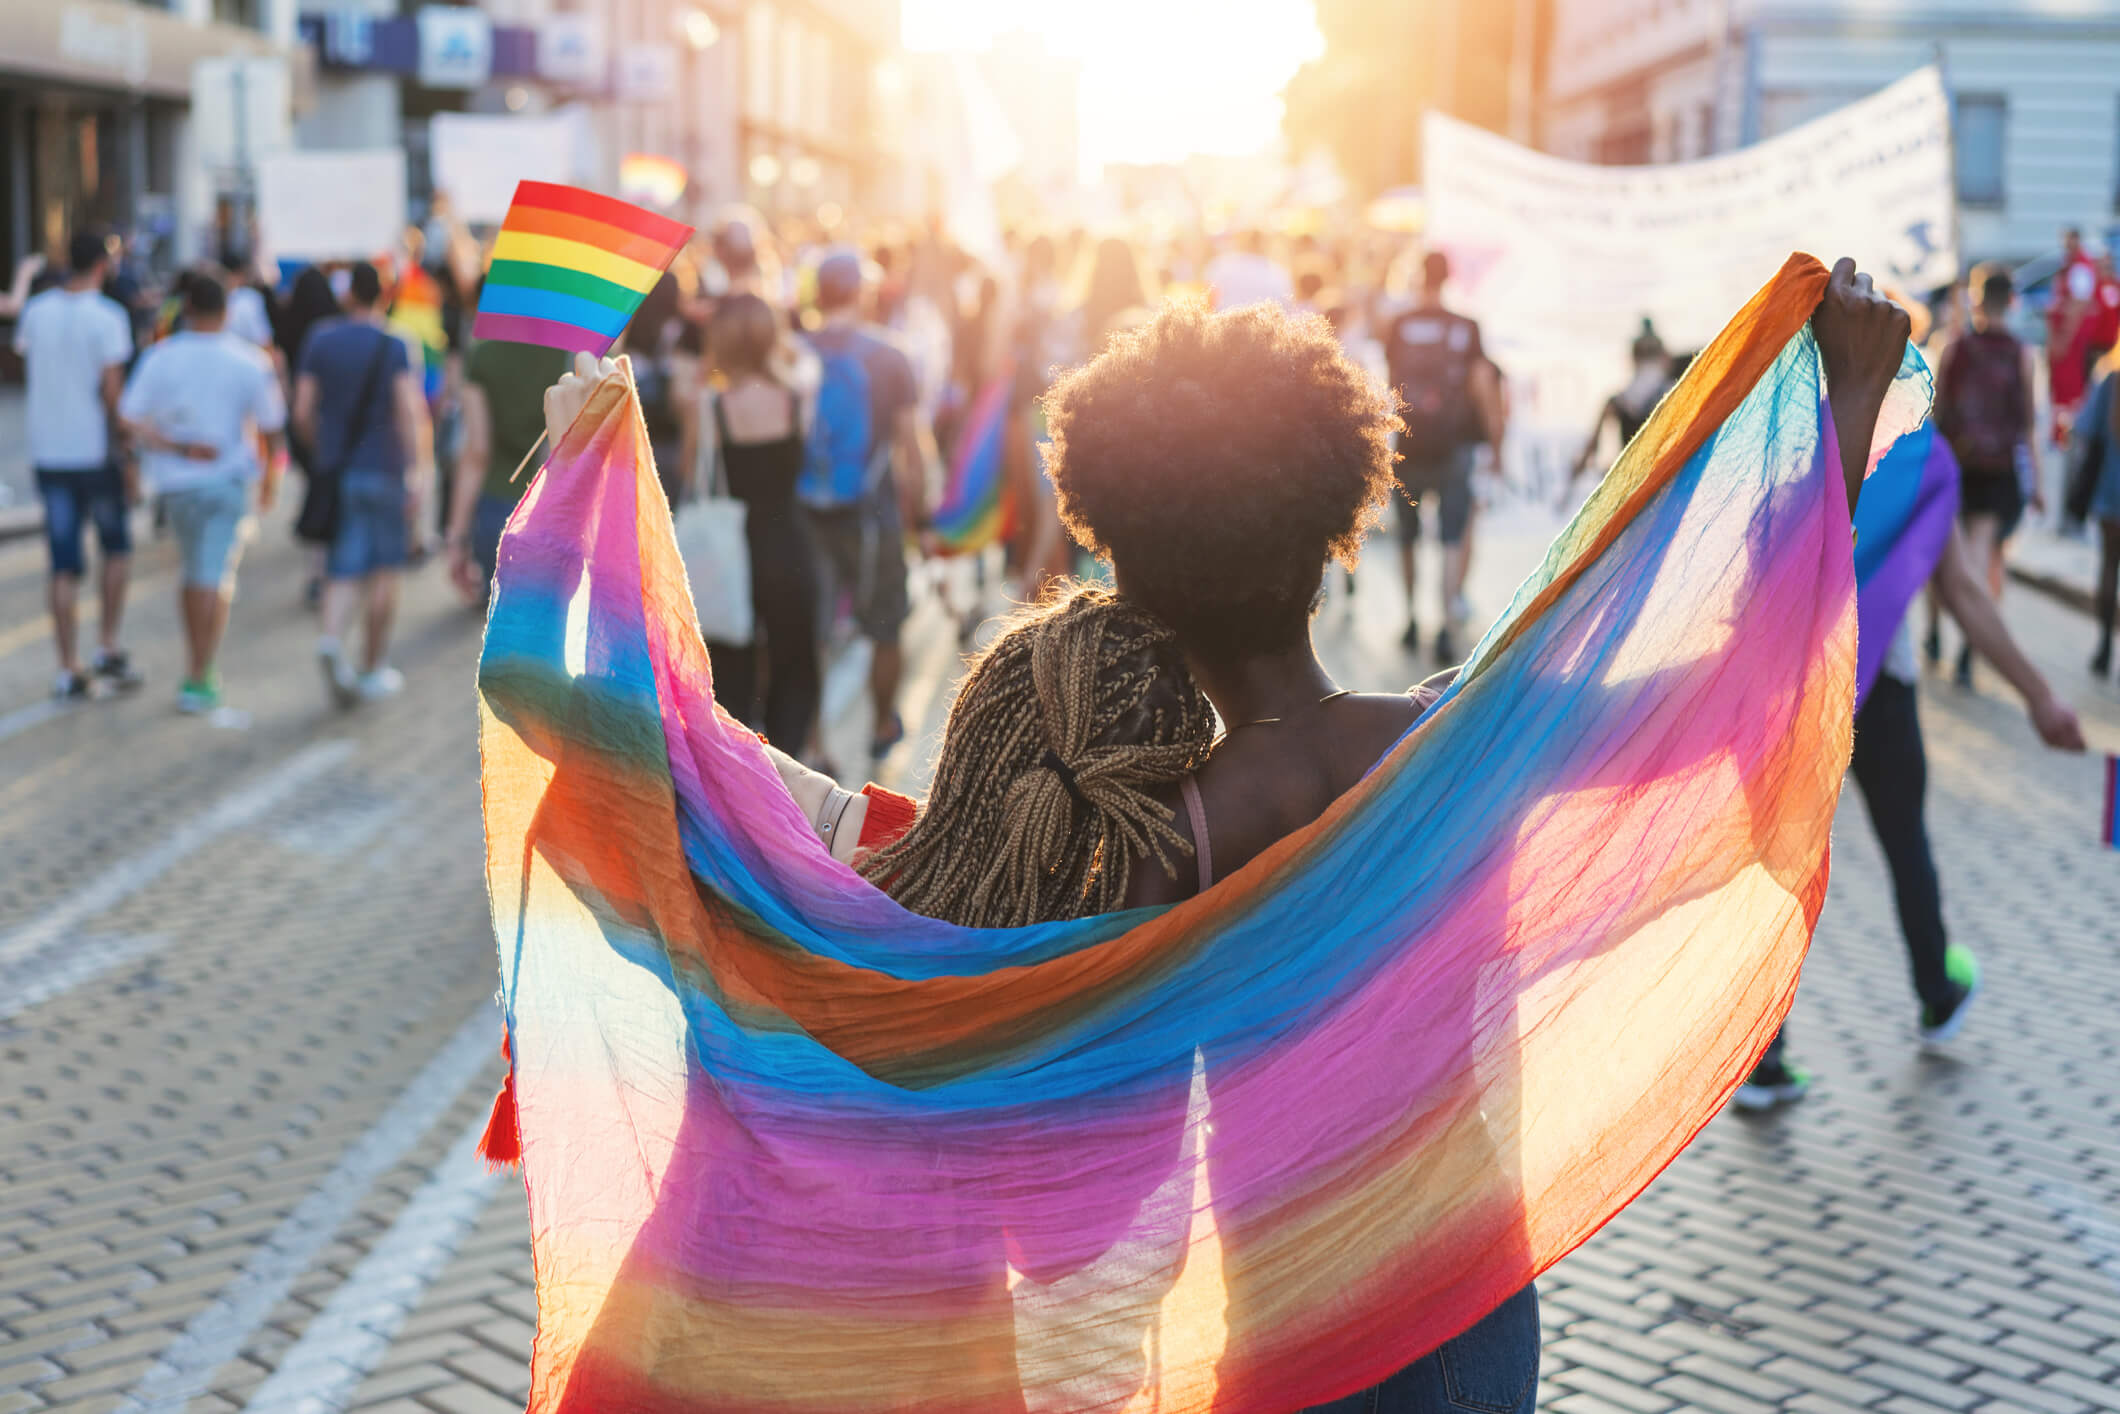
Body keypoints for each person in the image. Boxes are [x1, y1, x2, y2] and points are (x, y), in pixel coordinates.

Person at [1035, 261, 1912, 1413]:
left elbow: (1114, 1178)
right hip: (1467, 1297)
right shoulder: (1457, 740)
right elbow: (1738, 680)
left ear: (1138, 577)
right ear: (1331, 531)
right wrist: (1844, 400)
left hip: (1288, 1320)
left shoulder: (1165, 840)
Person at [1734, 497, 2086, 1109]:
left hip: (1793, 690)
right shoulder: (1918, 453)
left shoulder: (1794, 437)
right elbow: (1964, 594)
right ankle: (1937, 990)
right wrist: (2039, 696)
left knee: (1780, 870)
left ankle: (1763, 1056)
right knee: (1906, 845)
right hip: (1881, 690)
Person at [117, 275, 286, 717]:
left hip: (177, 484)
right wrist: (270, 479)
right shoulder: (250, 360)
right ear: (227, 311)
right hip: (227, 479)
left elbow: (129, 418)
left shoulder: (161, 357)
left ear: (186, 309)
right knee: (212, 575)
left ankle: (199, 668)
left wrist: (176, 447)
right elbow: (271, 427)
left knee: (196, 572)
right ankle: (200, 672)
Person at [801, 248, 938, 762]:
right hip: (873, 512)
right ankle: (881, 723)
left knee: (812, 631)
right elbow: (913, 447)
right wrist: (920, 517)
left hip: (808, 510)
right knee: (886, 624)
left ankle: (816, 743)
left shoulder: (794, 350)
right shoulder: (891, 355)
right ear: (861, 292)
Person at [293, 260, 433, 706]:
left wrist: (324, 452)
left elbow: (301, 411)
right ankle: (373, 667)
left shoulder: (321, 339)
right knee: (385, 569)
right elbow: (409, 410)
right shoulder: (396, 344)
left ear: (348, 293)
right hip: (386, 468)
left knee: (343, 564)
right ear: (385, 296)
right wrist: (418, 472)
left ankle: (331, 640)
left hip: (340, 472)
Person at [14, 228, 141, 699]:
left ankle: (67, 664)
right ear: (104, 266)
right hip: (94, 451)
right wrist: (127, 452)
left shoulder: (38, 310)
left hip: (50, 450)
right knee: (116, 548)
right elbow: (112, 394)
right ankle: (107, 644)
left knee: (63, 562)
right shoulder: (109, 317)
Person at [699, 293, 826, 752]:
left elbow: (699, 475)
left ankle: (738, 767)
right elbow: (806, 361)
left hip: (732, 549)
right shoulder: (796, 397)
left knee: (731, 668)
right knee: (796, 665)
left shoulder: (711, 408)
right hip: (790, 542)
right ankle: (785, 760)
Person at [1383, 249, 1505, 662]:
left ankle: (1411, 618)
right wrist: (1496, 446)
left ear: (1419, 276)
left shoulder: (1398, 326)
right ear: (1448, 278)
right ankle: (1446, 629)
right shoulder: (1466, 327)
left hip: (1409, 447)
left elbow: (1389, 387)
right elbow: (1483, 387)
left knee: (1408, 538)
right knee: (1453, 539)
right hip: (1454, 448)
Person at [1931, 264, 2038, 687]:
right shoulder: (2021, 353)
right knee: (1986, 558)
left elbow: (1936, 414)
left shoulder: (1953, 347)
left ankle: (1938, 632)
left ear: (1976, 298)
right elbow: (2027, 423)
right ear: (2010, 301)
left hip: (1956, 465)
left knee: (1946, 556)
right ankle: (1971, 647)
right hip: (2000, 471)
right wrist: (2041, 486)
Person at [447, 324, 569, 601]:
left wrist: (457, 537)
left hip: (497, 511)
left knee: (502, 626)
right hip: (558, 516)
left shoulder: (484, 355)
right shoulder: (577, 357)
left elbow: (476, 452)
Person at [1565, 321, 1674, 500]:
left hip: (1633, 481)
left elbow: (1594, 445)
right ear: (1663, 358)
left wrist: (1581, 466)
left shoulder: (1618, 401)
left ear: (1634, 359)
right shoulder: (1673, 393)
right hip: (1665, 479)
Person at [2080, 358, 2120, 677]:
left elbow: (2086, 429)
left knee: (2109, 566)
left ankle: (2104, 646)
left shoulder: (2113, 380)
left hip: (2112, 488)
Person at [1204, 228, 1294, 311]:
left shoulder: (1220, 266)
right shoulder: (1279, 274)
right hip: (1265, 326)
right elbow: (1286, 306)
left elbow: (1209, 301)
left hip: (1225, 325)